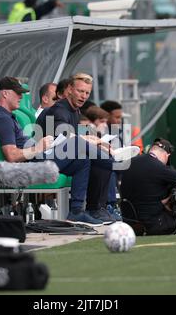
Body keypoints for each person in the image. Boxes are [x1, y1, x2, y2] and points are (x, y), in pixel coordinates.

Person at [0, 76, 107, 226]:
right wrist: (37, 148)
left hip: (39, 156)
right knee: (77, 143)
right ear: (5, 94)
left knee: (82, 161)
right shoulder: (2, 118)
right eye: (17, 93)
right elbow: (12, 155)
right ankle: (112, 162)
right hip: (31, 162)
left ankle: (76, 212)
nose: (21, 96)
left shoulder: (8, 116)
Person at [37, 73, 135, 223]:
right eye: (80, 91)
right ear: (69, 89)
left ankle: (91, 209)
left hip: (64, 159)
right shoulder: (59, 110)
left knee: (88, 159)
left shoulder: (75, 110)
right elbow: (66, 137)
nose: (84, 96)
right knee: (92, 152)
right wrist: (93, 142)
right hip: (45, 161)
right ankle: (118, 162)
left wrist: (97, 141)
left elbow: (75, 137)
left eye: (87, 93)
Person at [120, 138, 176, 235]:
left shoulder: (131, 162)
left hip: (129, 224)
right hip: (152, 225)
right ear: (167, 155)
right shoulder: (162, 169)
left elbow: (146, 196)